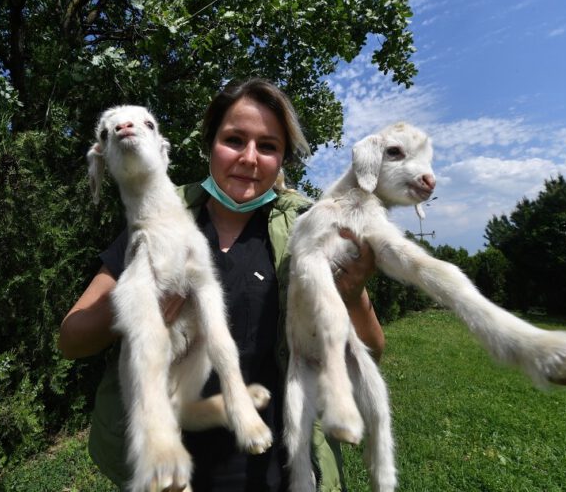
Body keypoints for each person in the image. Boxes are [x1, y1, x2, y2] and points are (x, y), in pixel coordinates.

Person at [58, 78, 385, 491]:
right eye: (234, 140)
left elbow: (370, 350)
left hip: (276, 470)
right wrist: (137, 304)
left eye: (268, 146)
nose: (249, 158)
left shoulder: (307, 231)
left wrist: (352, 296)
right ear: (209, 144)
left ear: (282, 159)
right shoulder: (154, 220)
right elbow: (71, 340)